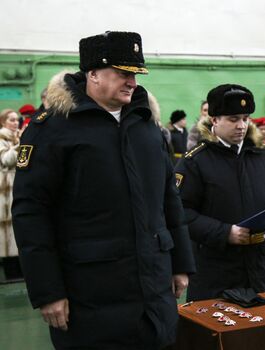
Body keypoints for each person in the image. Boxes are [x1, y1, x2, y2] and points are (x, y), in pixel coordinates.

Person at [12, 31, 195, 349]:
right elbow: (31, 214)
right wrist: (48, 291)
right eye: (123, 73)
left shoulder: (147, 126)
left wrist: (180, 264)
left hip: (153, 291)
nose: (132, 83)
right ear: (93, 73)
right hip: (89, 295)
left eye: (135, 74)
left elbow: (168, 199)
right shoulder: (52, 130)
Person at [175, 83, 265, 301]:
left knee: (263, 329)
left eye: (245, 118)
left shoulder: (264, 156)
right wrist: (224, 232)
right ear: (214, 120)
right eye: (233, 119)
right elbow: (180, 213)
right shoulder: (195, 162)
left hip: (259, 267)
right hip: (215, 270)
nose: (241, 125)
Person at [0, 109, 21, 280]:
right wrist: (19, 146)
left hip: (17, 186)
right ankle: (10, 272)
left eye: (17, 120)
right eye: (12, 120)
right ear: (3, 122)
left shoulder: (17, 137)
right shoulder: (1, 138)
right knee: (7, 233)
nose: (16, 123)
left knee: (17, 228)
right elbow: (6, 160)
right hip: (5, 191)